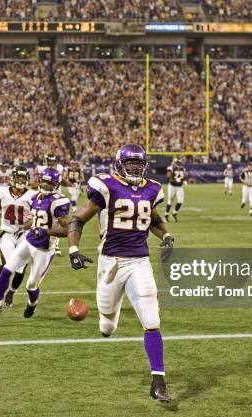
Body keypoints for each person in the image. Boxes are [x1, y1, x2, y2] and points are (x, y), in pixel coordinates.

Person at [67, 144, 174, 402]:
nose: (136, 169)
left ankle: (158, 381)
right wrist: (73, 249)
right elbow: (77, 219)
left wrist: (167, 235)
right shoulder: (106, 186)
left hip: (139, 261)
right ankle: (107, 322)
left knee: (151, 320)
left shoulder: (151, 189)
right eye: (131, 165)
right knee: (107, 324)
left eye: (139, 165)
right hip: (111, 264)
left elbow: (153, 218)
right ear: (118, 165)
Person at [0, 167, 70, 319]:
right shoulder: (36, 197)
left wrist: (46, 232)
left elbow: (68, 229)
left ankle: (32, 305)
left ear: (56, 184)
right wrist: (23, 227)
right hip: (29, 241)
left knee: (31, 285)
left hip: (44, 249)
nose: (45, 185)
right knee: (7, 269)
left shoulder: (59, 201)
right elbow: (34, 219)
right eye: (44, 181)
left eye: (49, 183)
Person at [165, 158, 185, 222]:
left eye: (180, 163)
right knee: (170, 201)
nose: (179, 164)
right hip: (172, 186)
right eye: (178, 163)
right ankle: (166, 215)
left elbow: (183, 177)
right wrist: (174, 180)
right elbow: (168, 176)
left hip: (179, 187)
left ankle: (174, 213)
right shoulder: (171, 168)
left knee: (180, 201)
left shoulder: (183, 169)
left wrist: (183, 181)